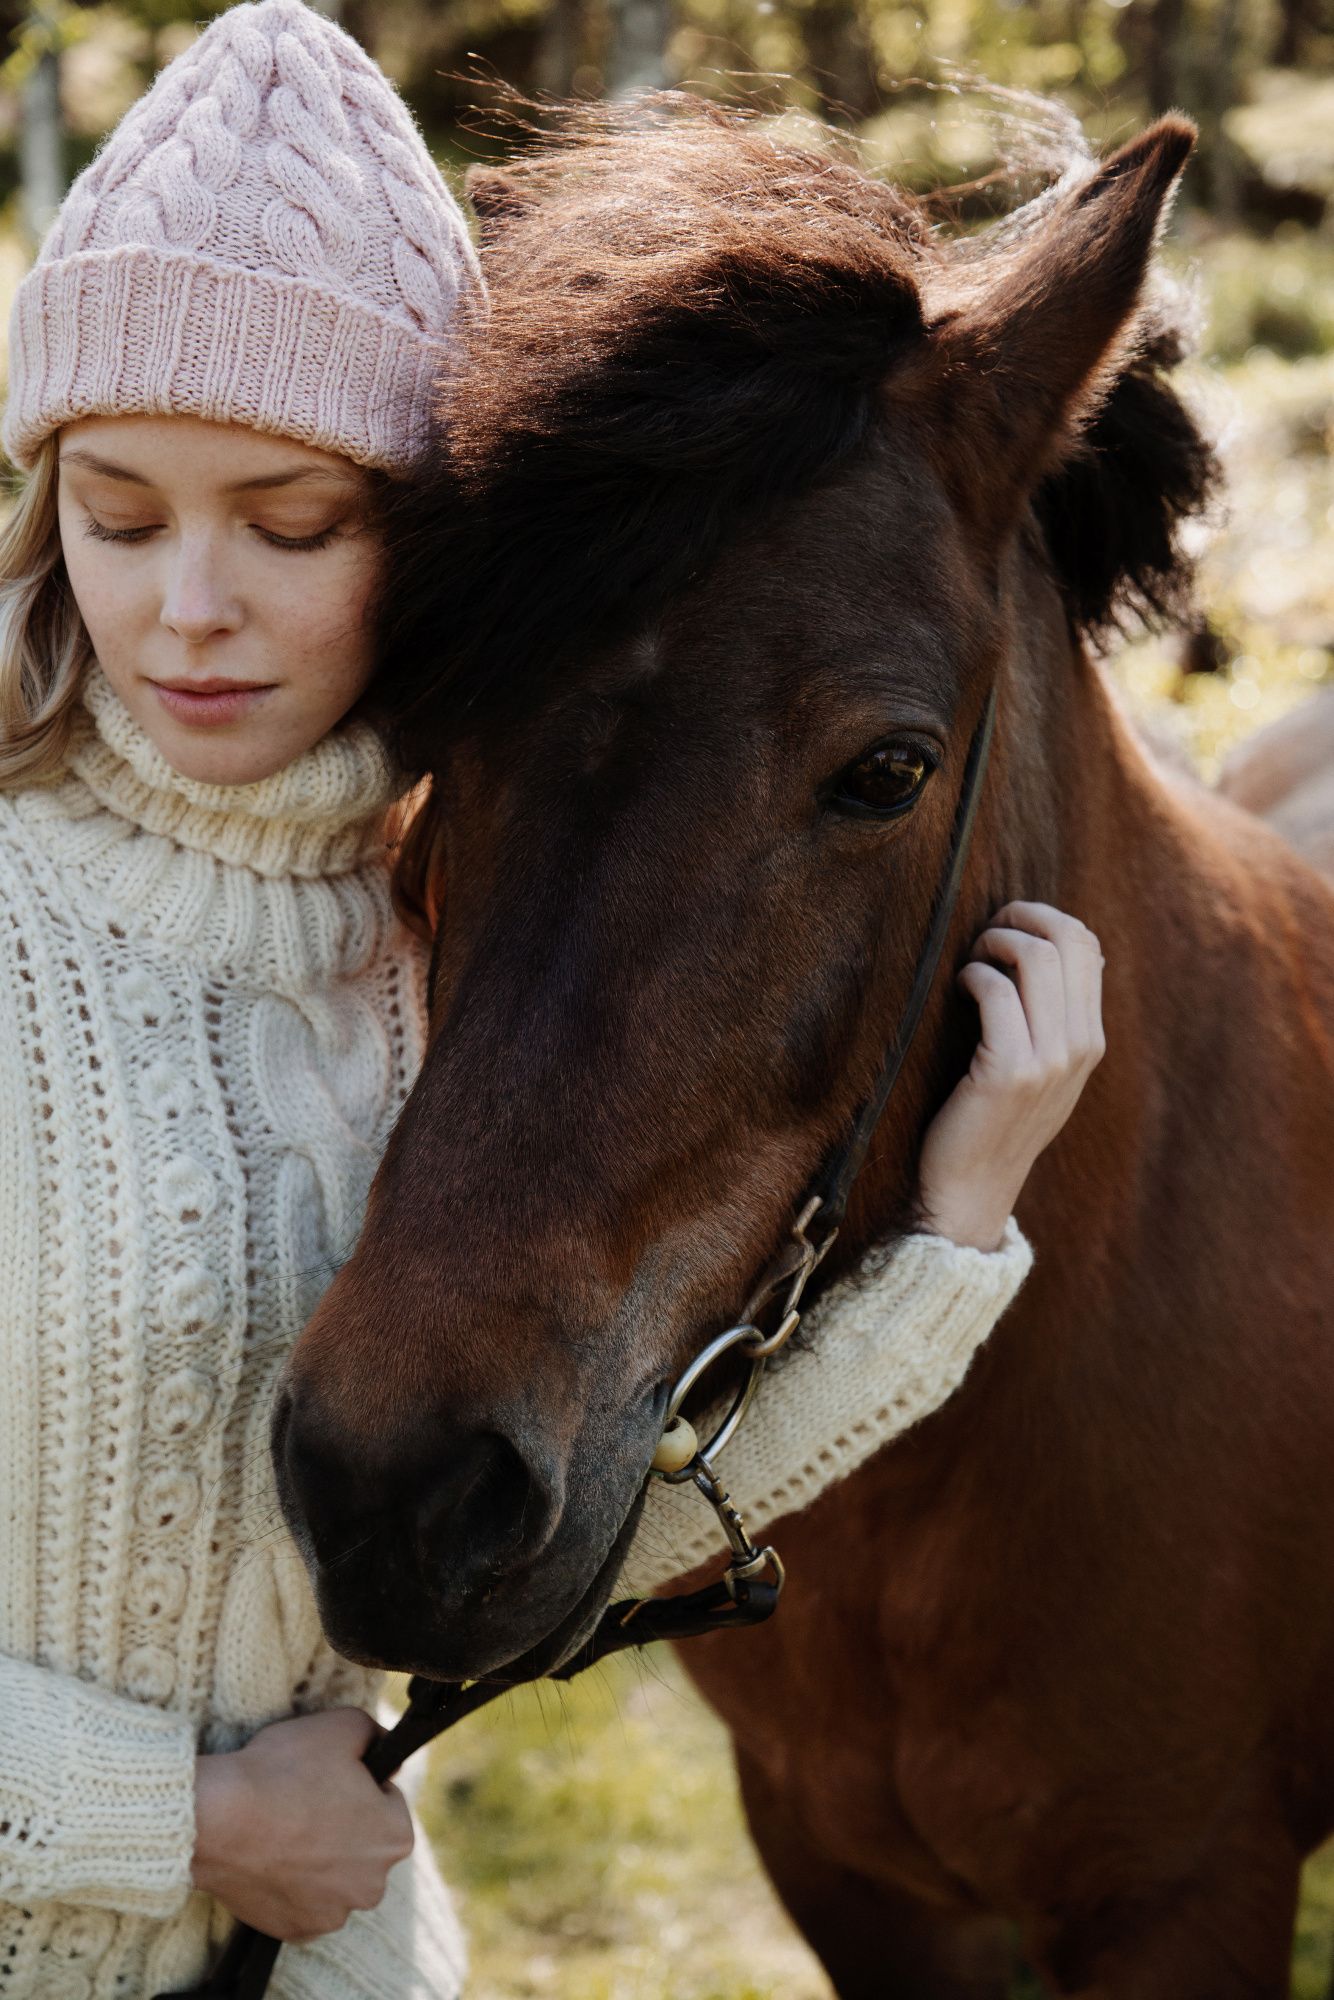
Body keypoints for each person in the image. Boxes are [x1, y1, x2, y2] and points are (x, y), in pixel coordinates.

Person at [0, 2, 1104, 1994]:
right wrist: (184, 1823)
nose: (187, 608)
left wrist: (950, 1240)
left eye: (293, 523)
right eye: (119, 514)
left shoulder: (466, 944)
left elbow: (570, 1511)